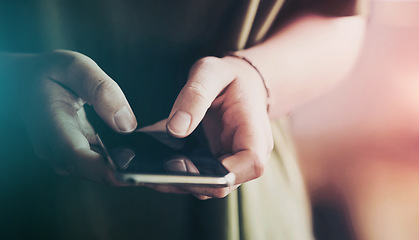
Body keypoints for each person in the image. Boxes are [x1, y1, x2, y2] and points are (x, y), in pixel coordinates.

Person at [0, 0, 366, 239]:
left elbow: (337, 19)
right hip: (29, 196)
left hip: (240, 177)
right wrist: (12, 81)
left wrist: (257, 76)